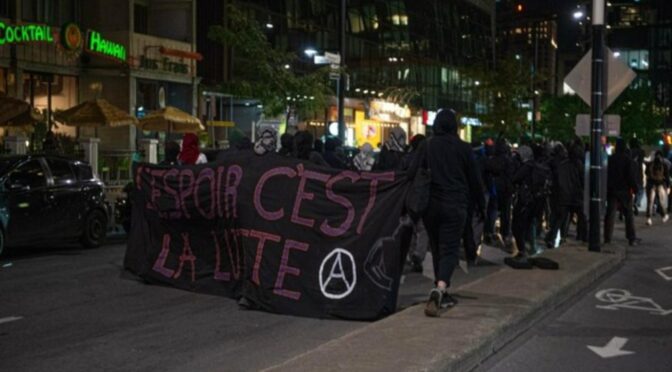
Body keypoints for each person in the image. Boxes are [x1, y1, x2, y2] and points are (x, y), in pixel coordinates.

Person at [409, 108, 485, 317]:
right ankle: (441, 288)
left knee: (436, 246)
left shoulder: (427, 146)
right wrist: (481, 206)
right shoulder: (463, 148)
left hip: (431, 206)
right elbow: (475, 180)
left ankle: (440, 288)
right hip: (455, 204)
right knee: (450, 248)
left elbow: (412, 170)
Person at [511, 145, 551, 261]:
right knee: (529, 224)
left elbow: (514, 179)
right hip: (536, 201)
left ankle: (523, 250)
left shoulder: (526, 167)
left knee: (517, 225)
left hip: (524, 200)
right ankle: (531, 247)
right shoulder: (539, 167)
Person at [545, 141, 586, 248]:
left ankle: (553, 237)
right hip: (576, 195)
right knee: (581, 216)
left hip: (564, 194)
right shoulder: (580, 165)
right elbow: (582, 181)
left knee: (561, 217)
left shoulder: (563, 165)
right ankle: (581, 236)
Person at [604, 139, 640, 246]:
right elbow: (630, 176)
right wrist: (635, 188)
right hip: (624, 190)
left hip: (612, 190)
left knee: (610, 214)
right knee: (628, 215)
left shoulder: (610, 159)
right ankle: (631, 238)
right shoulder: (628, 160)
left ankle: (607, 238)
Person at [645, 151, 670, 225]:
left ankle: (649, 219)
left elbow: (646, 173)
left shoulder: (650, 164)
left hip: (650, 184)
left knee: (650, 202)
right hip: (660, 184)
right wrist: (668, 186)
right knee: (662, 201)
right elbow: (667, 176)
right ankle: (664, 215)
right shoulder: (664, 164)